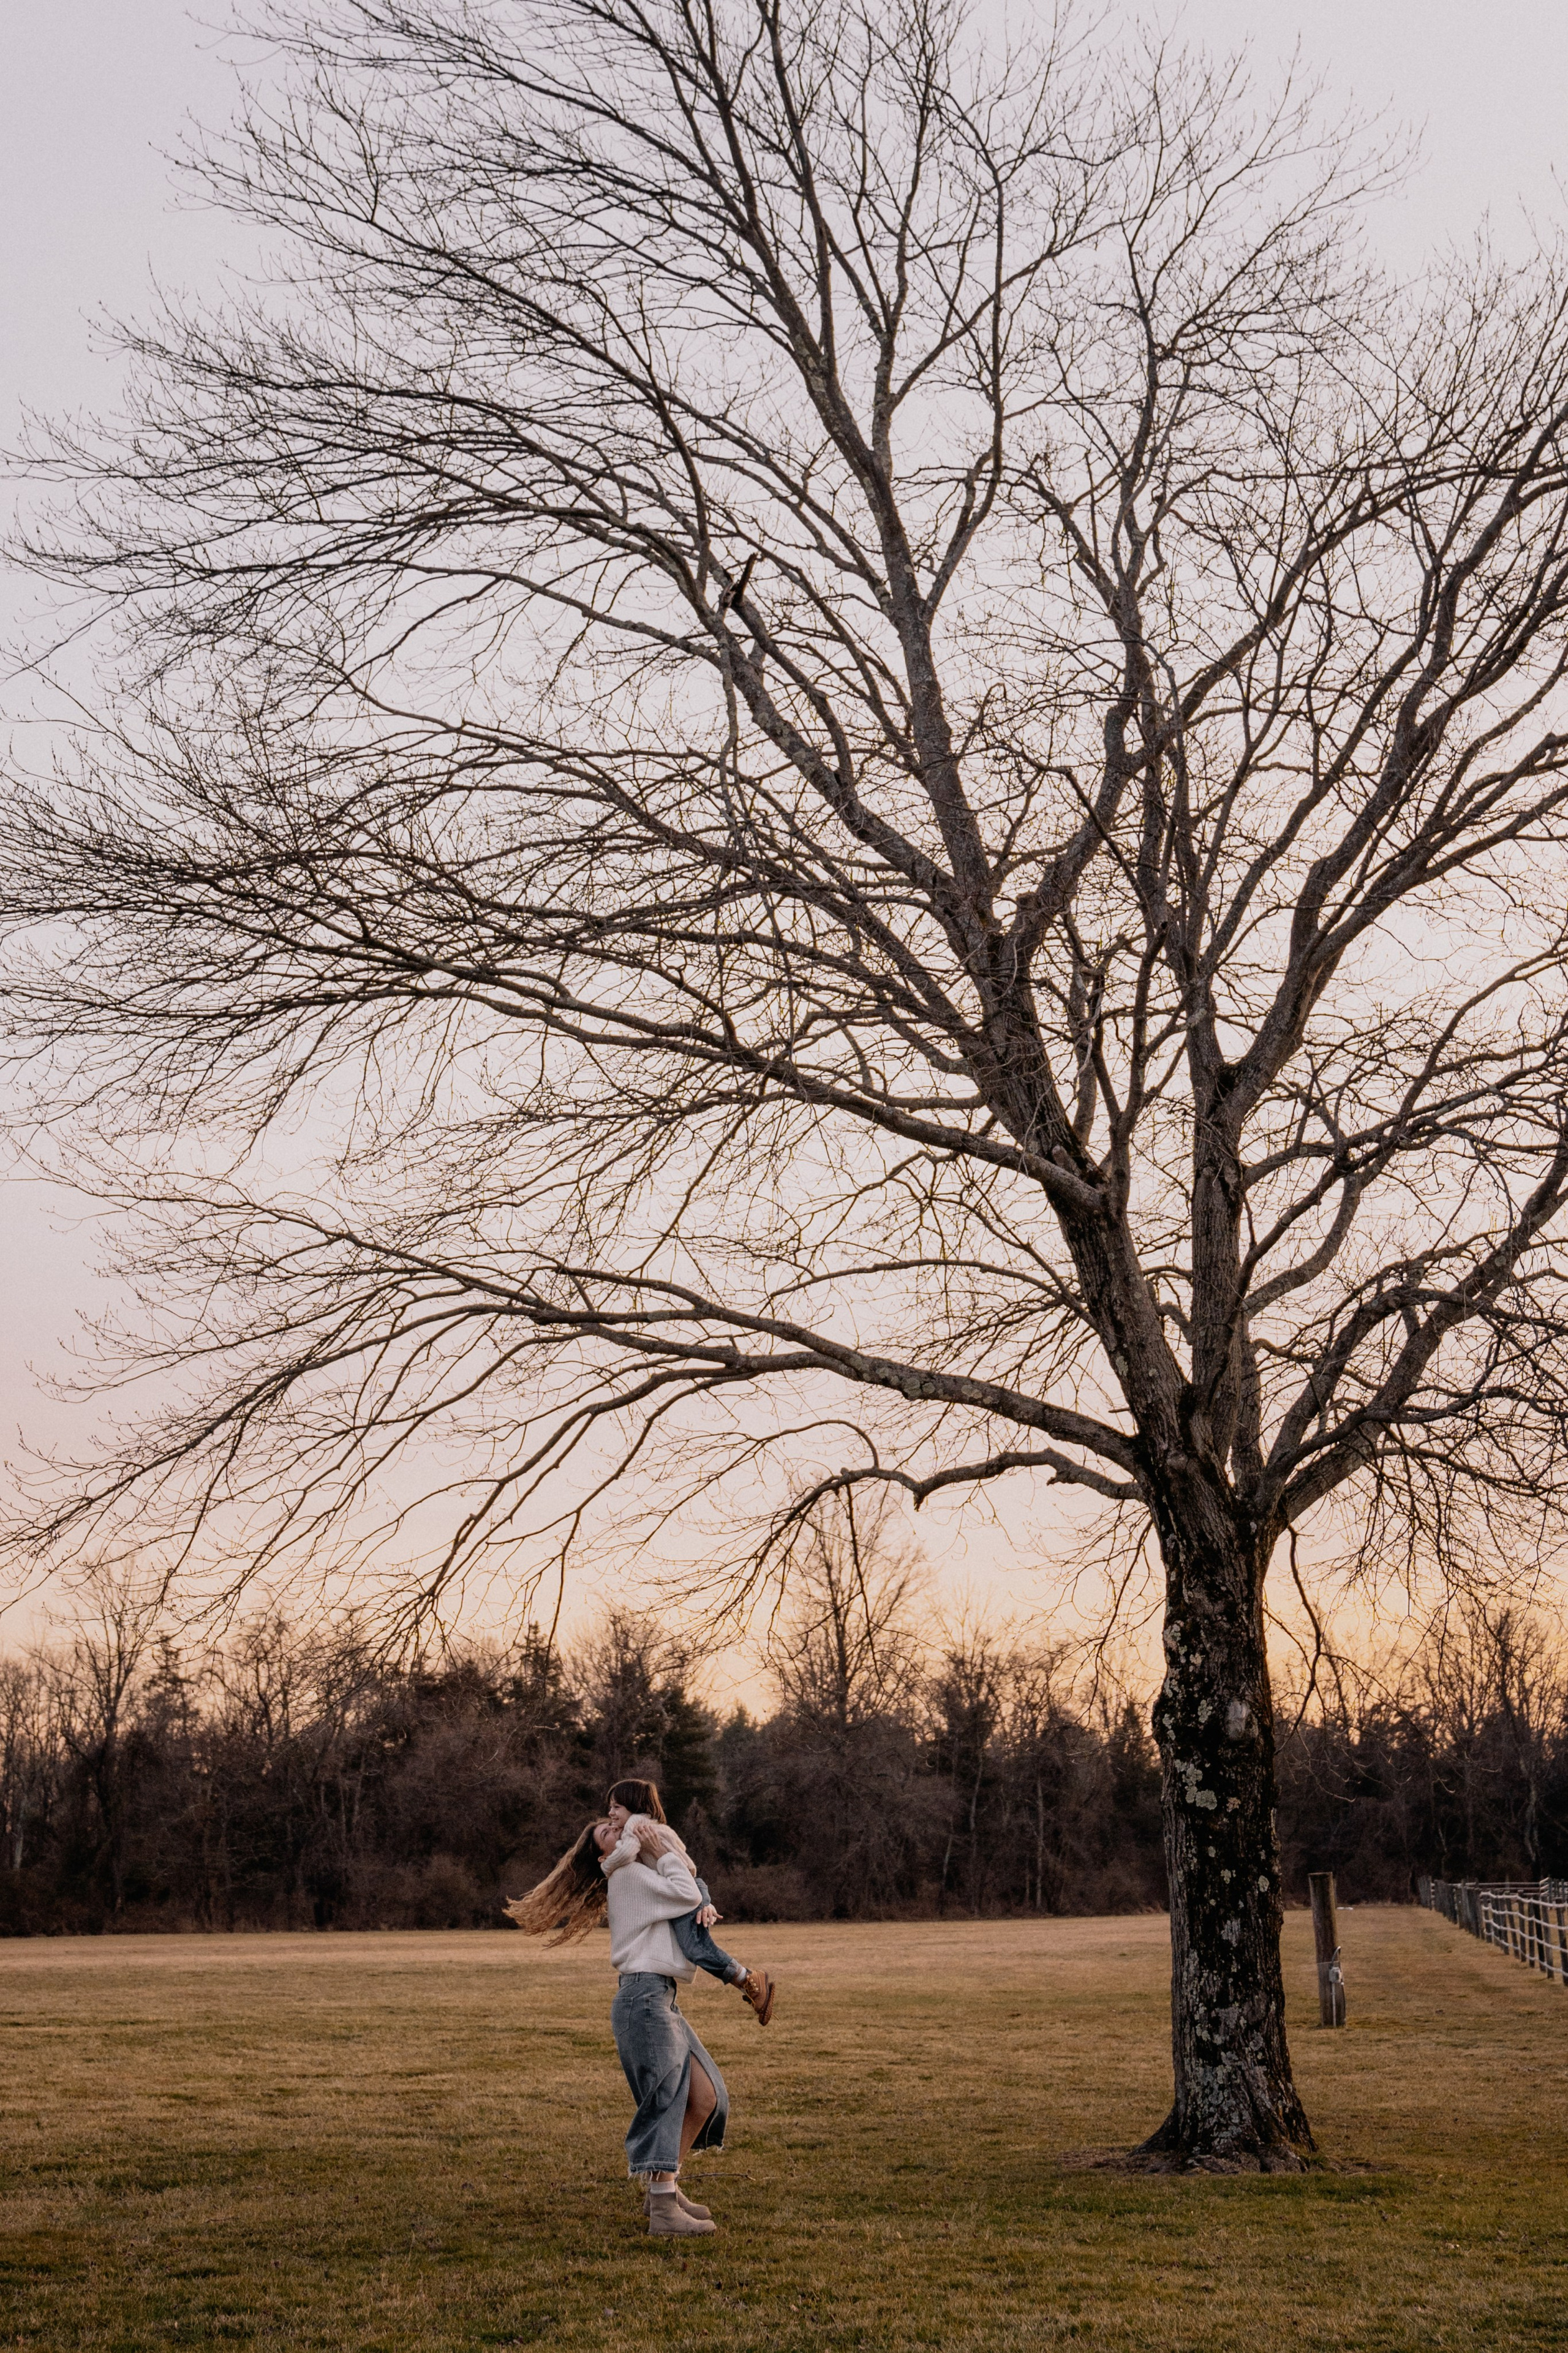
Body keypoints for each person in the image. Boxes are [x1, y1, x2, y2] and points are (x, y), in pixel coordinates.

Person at [505, 1808, 730, 2237]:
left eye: (612, 1822)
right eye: (606, 1832)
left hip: (660, 1994)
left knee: (702, 2096)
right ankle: (663, 2209)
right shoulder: (626, 1873)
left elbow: (688, 1888)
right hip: (643, 1996)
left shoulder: (633, 1869)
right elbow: (683, 1891)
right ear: (603, 1852)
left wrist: (704, 1897)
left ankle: (664, 2188)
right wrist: (660, 1847)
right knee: (667, 2096)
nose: (616, 1828)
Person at [600, 1778, 775, 2026]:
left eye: (616, 1806)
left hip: (688, 1887)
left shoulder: (638, 1827)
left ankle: (750, 1980)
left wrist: (607, 1866)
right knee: (695, 1947)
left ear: (635, 1806)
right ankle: (748, 1982)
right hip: (689, 1885)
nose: (610, 1813)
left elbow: (628, 1853)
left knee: (695, 1948)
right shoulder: (649, 1826)